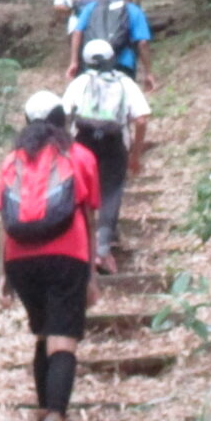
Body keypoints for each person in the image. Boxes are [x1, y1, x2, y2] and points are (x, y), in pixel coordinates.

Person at [0, 90, 101, 421]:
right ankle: (55, 418)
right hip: (67, 255)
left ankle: (45, 418)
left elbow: (4, 220)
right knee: (64, 341)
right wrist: (91, 272)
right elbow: (89, 218)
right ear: (62, 120)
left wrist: (4, 273)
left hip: (21, 260)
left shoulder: (12, 161)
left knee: (43, 335)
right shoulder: (80, 156)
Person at [62, 41, 152, 276]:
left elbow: (64, 115)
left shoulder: (79, 83)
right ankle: (102, 250)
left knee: (81, 193)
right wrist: (135, 154)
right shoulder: (124, 82)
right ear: (112, 58)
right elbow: (141, 119)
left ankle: (82, 248)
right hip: (115, 144)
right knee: (111, 193)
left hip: (82, 144)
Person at [67, 0, 155, 91]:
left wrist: (74, 62)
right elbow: (142, 43)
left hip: (93, 63)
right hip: (123, 64)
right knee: (123, 101)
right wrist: (148, 72)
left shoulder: (91, 7)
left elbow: (77, 33)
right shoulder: (133, 10)